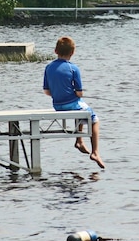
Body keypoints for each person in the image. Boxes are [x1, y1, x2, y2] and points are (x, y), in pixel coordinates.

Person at [43, 36, 105, 169]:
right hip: (72, 104)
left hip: (57, 105)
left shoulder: (48, 67)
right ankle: (95, 152)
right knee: (94, 119)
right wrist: (75, 93)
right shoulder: (73, 69)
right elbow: (79, 93)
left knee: (81, 107)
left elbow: (47, 91)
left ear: (55, 51)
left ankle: (79, 141)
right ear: (72, 53)